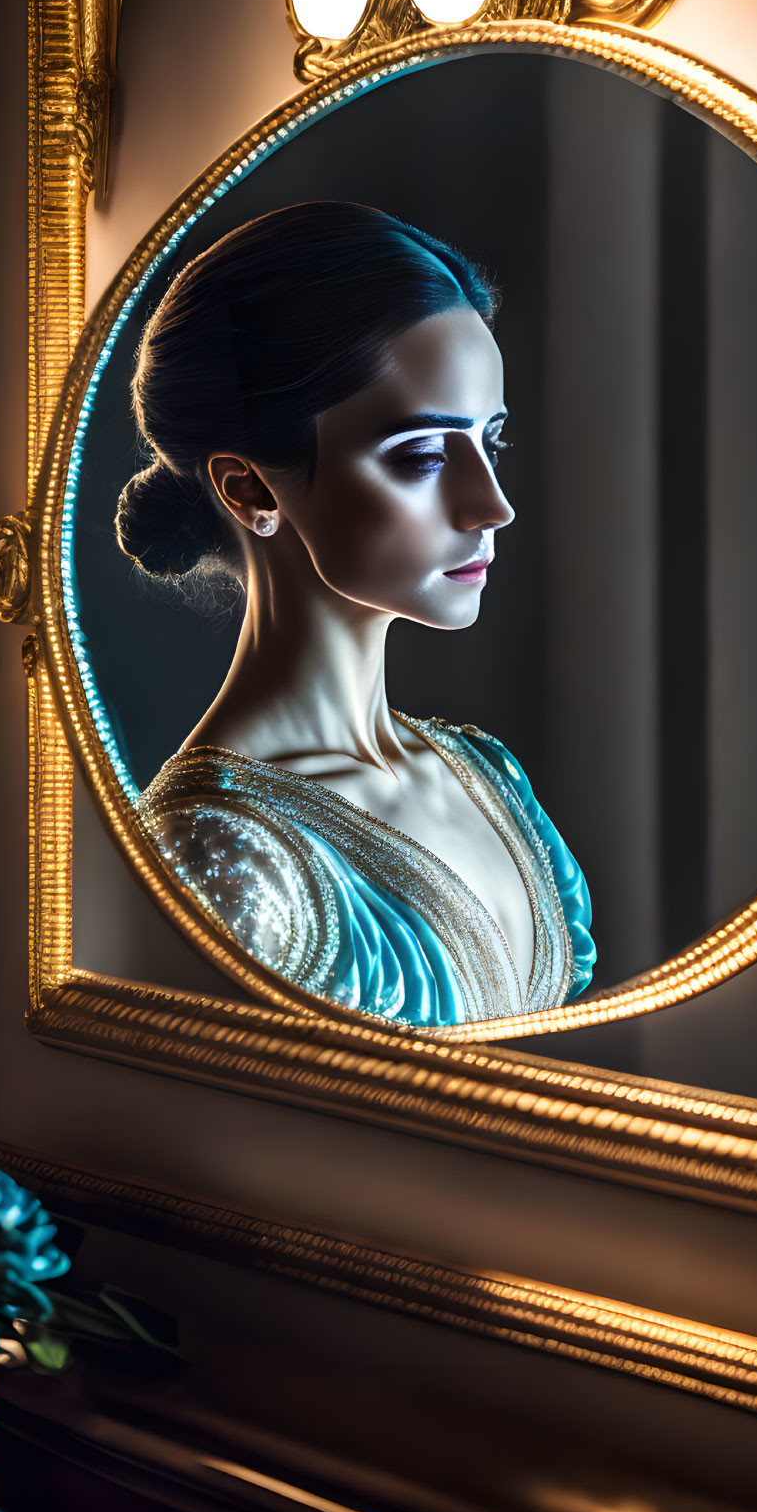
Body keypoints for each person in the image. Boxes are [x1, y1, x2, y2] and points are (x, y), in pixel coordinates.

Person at [115, 201, 594, 1027]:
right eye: (422, 455)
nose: (492, 504)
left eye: (492, 441)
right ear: (250, 487)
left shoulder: (487, 775)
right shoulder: (215, 853)